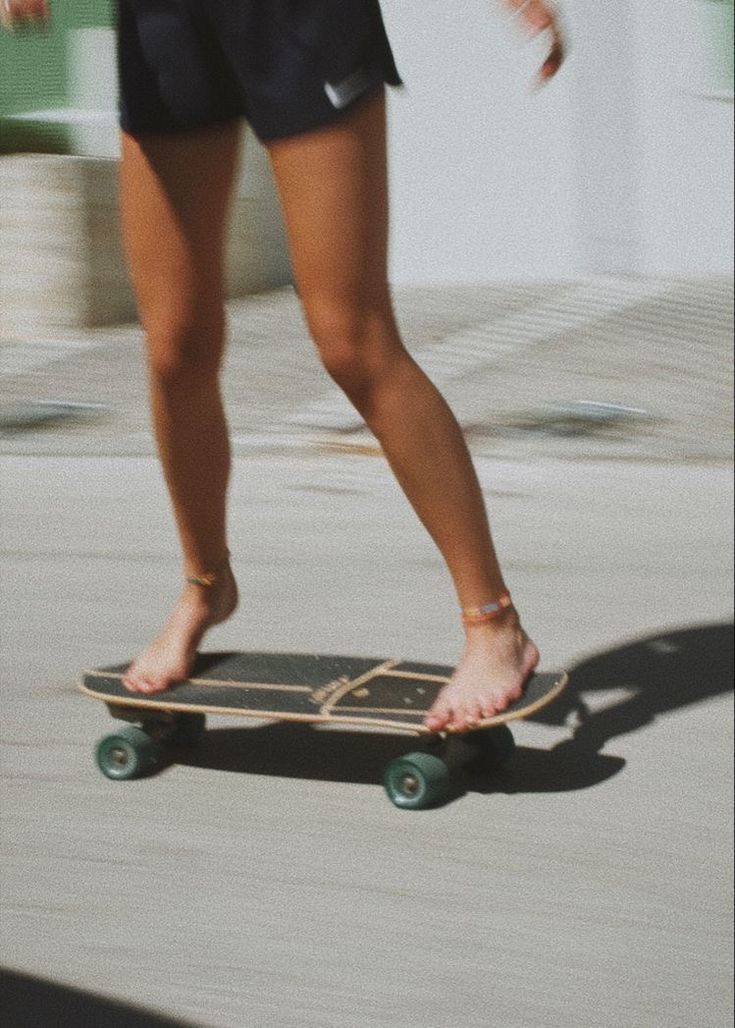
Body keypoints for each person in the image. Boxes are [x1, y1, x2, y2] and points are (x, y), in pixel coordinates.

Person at [3, 0, 565, 732]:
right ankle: (206, 585)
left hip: (297, 18)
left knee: (351, 340)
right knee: (174, 345)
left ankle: (493, 624)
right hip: (164, 23)